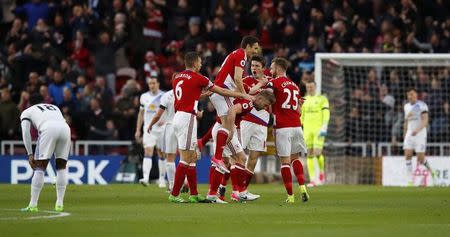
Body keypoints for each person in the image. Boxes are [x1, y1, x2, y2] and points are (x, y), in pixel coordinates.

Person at [168, 51, 251, 203]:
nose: (201, 65)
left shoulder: (178, 77)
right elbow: (221, 91)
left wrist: (202, 98)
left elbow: (188, 95)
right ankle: (174, 195)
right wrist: (242, 95)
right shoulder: (199, 78)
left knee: (192, 157)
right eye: (199, 62)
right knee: (186, 159)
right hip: (187, 118)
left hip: (178, 117)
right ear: (194, 63)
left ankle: (194, 194)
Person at [208, 90, 275, 203]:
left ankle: (214, 194)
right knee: (240, 159)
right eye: (265, 105)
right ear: (260, 99)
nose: (265, 108)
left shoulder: (249, 100)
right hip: (225, 130)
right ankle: (240, 192)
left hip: (221, 128)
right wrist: (231, 130)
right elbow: (232, 110)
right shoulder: (249, 103)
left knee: (226, 161)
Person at [208, 36, 260, 172]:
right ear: (247, 46)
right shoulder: (241, 55)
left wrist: (244, 93)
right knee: (228, 130)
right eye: (255, 48)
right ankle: (218, 156)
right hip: (222, 93)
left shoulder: (236, 54)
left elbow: (236, 81)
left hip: (220, 92)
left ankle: (218, 158)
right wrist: (244, 96)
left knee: (224, 128)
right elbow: (237, 79)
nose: (256, 51)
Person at [268, 57, 309, 203]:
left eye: (272, 68)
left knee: (285, 162)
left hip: (283, 127)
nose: (270, 71)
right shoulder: (295, 86)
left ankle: (290, 196)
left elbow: (268, 100)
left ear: (278, 68)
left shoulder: (273, 83)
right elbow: (298, 111)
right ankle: (303, 187)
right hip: (297, 126)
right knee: (296, 159)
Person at [20, 94, 71, 212]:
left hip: (48, 128)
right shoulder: (54, 107)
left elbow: (26, 132)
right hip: (65, 128)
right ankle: (59, 204)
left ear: (29, 103)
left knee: (39, 168)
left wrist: (30, 154)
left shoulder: (27, 111)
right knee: (61, 167)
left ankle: (33, 205)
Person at [233, 54, 270, 198]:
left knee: (254, 157)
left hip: (262, 124)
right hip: (246, 121)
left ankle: (243, 190)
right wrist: (261, 85)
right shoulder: (245, 80)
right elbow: (246, 93)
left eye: (257, 66)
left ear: (263, 68)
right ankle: (232, 190)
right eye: (252, 65)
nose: (253, 68)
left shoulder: (270, 82)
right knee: (237, 156)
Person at [135, 76, 165, 187]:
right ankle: (146, 178)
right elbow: (141, 114)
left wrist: (165, 121)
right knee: (148, 152)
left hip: (162, 129)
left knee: (162, 154)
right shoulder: (144, 97)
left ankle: (162, 179)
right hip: (148, 129)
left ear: (158, 84)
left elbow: (170, 111)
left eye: (153, 83)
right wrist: (138, 129)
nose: (151, 85)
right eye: (150, 83)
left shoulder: (164, 96)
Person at [147, 90, 177, 191]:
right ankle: (185, 181)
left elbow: (158, 114)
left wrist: (150, 124)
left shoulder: (166, 95)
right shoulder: (188, 91)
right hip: (185, 125)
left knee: (169, 157)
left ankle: (172, 186)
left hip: (170, 126)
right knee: (185, 156)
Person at [301, 81, 330, 187]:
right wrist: (300, 128)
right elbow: (302, 116)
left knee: (317, 153)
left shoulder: (322, 99)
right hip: (307, 131)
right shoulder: (304, 100)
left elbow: (326, 113)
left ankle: (321, 172)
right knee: (309, 154)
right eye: (308, 87)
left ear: (315, 87)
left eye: (311, 86)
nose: (310, 88)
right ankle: (313, 179)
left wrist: (324, 127)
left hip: (318, 130)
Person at [403, 88, 433, 186]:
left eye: (411, 94)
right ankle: (410, 181)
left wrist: (417, 130)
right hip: (409, 133)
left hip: (420, 133)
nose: (409, 96)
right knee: (407, 155)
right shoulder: (406, 106)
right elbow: (406, 121)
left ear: (416, 95)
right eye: (408, 94)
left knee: (420, 158)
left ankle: (432, 171)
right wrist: (405, 133)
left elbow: (425, 120)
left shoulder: (422, 105)